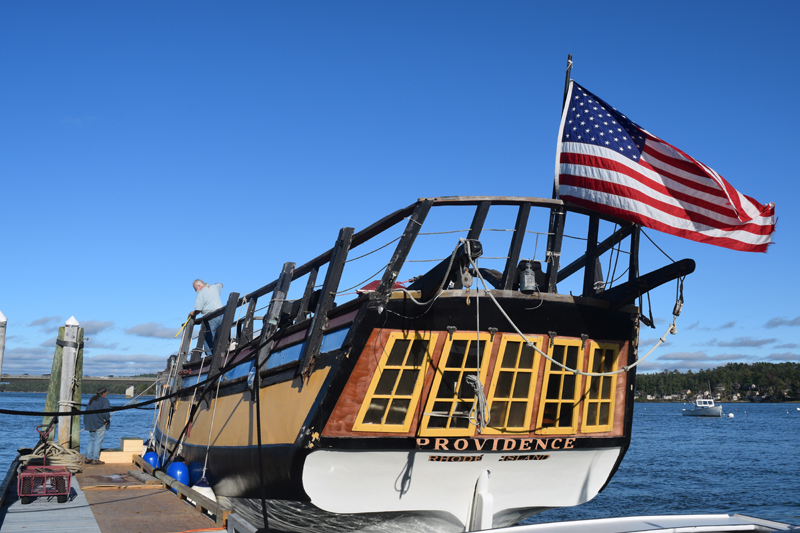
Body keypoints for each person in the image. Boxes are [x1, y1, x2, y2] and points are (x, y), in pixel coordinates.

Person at [190, 279, 224, 356]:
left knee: (207, 337)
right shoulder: (214, 287)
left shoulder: (201, 293)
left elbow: (198, 309)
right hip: (222, 314)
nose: (195, 291)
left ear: (198, 286)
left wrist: (193, 314)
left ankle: (210, 357)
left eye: (195, 289)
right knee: (219, 335)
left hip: (211, 316)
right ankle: (221, 354)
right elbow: (221, 284)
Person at [84, 387, 111, 465]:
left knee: (91, 439)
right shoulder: (105, 401)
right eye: (106, 393)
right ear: (103, 394)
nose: (106, 394)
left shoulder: (92, 399)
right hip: (99, 423)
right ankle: (95, 459)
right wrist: (107, 420)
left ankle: (88, 458)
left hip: (90, 423)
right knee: (98, 441)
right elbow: (105, 413)